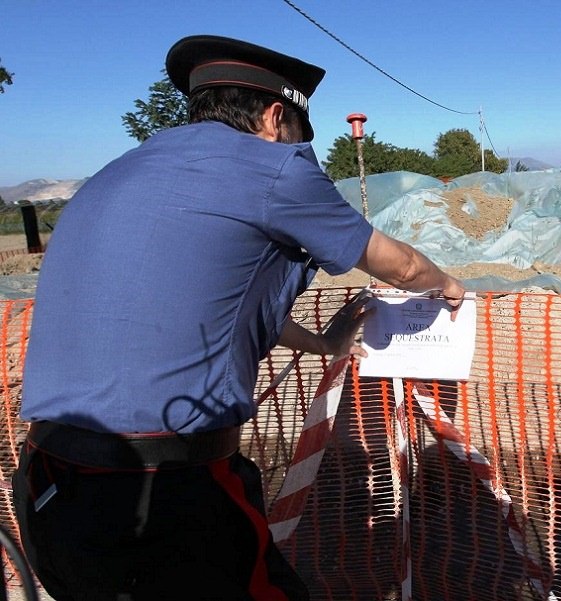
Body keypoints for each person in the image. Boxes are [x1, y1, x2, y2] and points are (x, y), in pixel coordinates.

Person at [12, 35, 465, 601]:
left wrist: (326, 345)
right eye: (302, 137)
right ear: (276, 117)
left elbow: (219, 306)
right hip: (162, 496)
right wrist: (447, 284)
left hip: (48, 486)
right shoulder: (271, 169)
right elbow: (396, 265)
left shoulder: (117, 172)